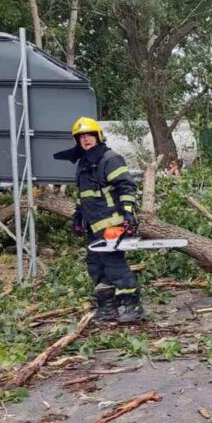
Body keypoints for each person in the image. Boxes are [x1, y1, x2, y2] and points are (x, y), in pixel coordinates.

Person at [54, 117, 144, 324]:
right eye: (81, 137)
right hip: (93, 226)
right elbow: (84, 195)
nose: (86, 140)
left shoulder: (109, 159)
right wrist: (78, 216)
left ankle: (132, 305)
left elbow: (126, 187)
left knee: (114, 265)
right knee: (96, 266)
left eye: (89, 136)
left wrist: (128, 214)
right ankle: (107, 308)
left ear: (98, 137)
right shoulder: (83, 164)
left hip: (112, 223)